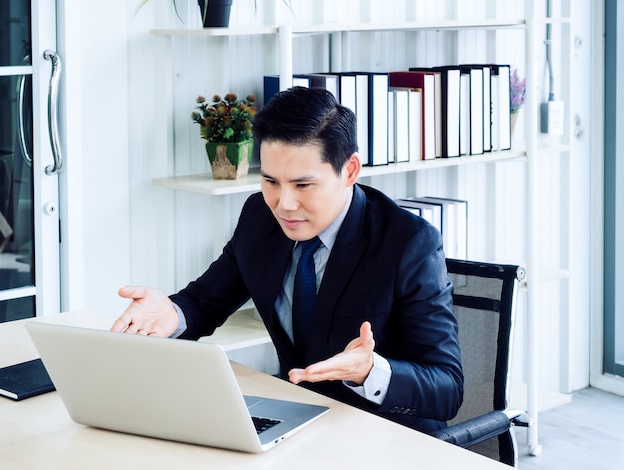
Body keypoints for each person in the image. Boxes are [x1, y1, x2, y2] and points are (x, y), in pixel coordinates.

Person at [111, 87, 463, 434]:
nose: (284, 204)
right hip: (300, 422)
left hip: (386, 435)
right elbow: (206, 300)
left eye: (303, 185)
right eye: (270, 181)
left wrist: (370, 371)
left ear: (350, 170)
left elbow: (447, 388)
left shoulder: (409, 242)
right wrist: (171, 314)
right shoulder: (259, 217)